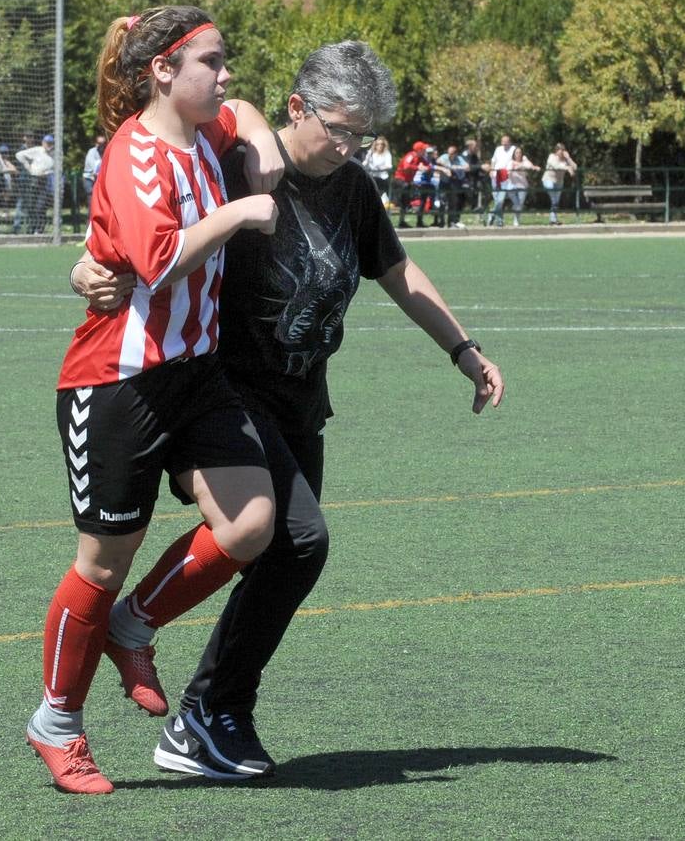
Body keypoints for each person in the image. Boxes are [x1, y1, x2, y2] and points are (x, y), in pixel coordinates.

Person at [74, 41, 505, 782]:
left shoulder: (354, 189)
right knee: (298, 538)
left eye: (363, 136)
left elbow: (397, 272)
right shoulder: (242, 159)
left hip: (301, 400)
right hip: (219, 393)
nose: (349, 147)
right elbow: (142, 199)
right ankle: (202, 699)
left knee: (292, 554)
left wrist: (463, 349)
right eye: (338, 129)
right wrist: (86, 266)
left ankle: (208, 715)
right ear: (298, 108)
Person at [24, 4, 285, 795]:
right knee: (100, 565)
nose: (226, 74)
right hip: (116, 382)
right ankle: (57, 723)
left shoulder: (205, 133)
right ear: (164, 72)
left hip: (195, 374)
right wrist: (241, 209)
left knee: (250, 522)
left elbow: (244, 113)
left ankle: (134, 627)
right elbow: (159, 259)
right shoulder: (135, 154)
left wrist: (263, 142)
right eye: (212, 60)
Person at [16, 134, 55, 233]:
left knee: (41, 206)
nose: (49, 145)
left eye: (51, 143)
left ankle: (39, 229)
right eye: (47, 143)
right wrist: (28, 167)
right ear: (43, 143)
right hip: (34, 180)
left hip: (46, 181)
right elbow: (19, 155)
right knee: (31, 206)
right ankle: (32, 228)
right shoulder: (37, 150)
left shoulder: (55, 153)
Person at [392, 140, 428, 228]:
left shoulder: (421, 158)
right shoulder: (411, 155)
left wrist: (426, 167)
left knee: (406, 201)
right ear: (419, 150)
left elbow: (428, 165)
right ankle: (398, 204)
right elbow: (406, 166)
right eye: (423, 149)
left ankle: (402, 221)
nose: (425, 151)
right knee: (404, 197)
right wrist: (418, 167)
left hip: (408, 182)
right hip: (400, 180)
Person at [542, 142, 577, 225]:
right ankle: (553, 219)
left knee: (556, 201)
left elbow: (575, 167)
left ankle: (553, 220)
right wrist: (568, 168)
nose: (561, 152)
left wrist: (569, 158)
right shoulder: (551, 157)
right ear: (556, 151)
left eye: (562, 150)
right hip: (548, 180)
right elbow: (556, 166)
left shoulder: (565, 159)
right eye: (559, 150)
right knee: (554, 199)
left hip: (559, 182)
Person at [506, 146, 539, 227]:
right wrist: (516, 167)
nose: (518, 154)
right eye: (517, 153)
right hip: (512, 186)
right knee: (516, 204)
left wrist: (531, 166)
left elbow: (529, 166)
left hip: (522, 185)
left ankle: (516, 220)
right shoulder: (510, 162)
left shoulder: (524, 160)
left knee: (520, 204)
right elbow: (508, 171)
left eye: (520, 152)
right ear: (514, 154)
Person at [437, 143, 468, 228]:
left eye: (451, 154)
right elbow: (438, 161)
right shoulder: (444, 156)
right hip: (444, 182)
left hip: (454, 182)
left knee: (453, 203)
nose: (449, 155)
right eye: (449, 153)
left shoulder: (459, 159)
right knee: (442, 202)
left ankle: (451, 222)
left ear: (455, 154)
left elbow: (467, 167)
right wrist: (448, 167)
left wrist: (458, 167)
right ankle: (441, 221)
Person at [487, 134, 515, 227]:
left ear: (510, 142)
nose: (504, 144)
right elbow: (493, 160)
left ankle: (491, 214)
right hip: (495, 175)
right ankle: (499, 221)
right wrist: (491, 169)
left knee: (501, 200)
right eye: (503, 142)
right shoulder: (498, 149)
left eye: (506, 142)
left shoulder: (513, 149)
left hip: (505, 176)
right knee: (496, 199)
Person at [0, 144, 18, 229]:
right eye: (3, 153)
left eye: (6, 153)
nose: (5, 155)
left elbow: (15, 170)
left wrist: (8, 164)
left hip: (3, 187)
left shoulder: (6, 161)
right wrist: (10, 169)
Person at [362, 135, 392, 207]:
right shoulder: (371, 153)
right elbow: (365, 163)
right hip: (372, 177)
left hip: (382, 178)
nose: (380, 146)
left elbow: (389, 166)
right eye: (378, 144)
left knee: (379, 196)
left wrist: (380, 168)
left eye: (382, 144)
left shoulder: (386, 154)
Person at [82, 134, 106, 202]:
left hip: (99, 179)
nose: (101, 145)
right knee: (92, 199)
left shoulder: (105, 151)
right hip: (89, 178)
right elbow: (95, 169)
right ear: (96, 143)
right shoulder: (91, 152)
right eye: (99, 143)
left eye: (103, 143)